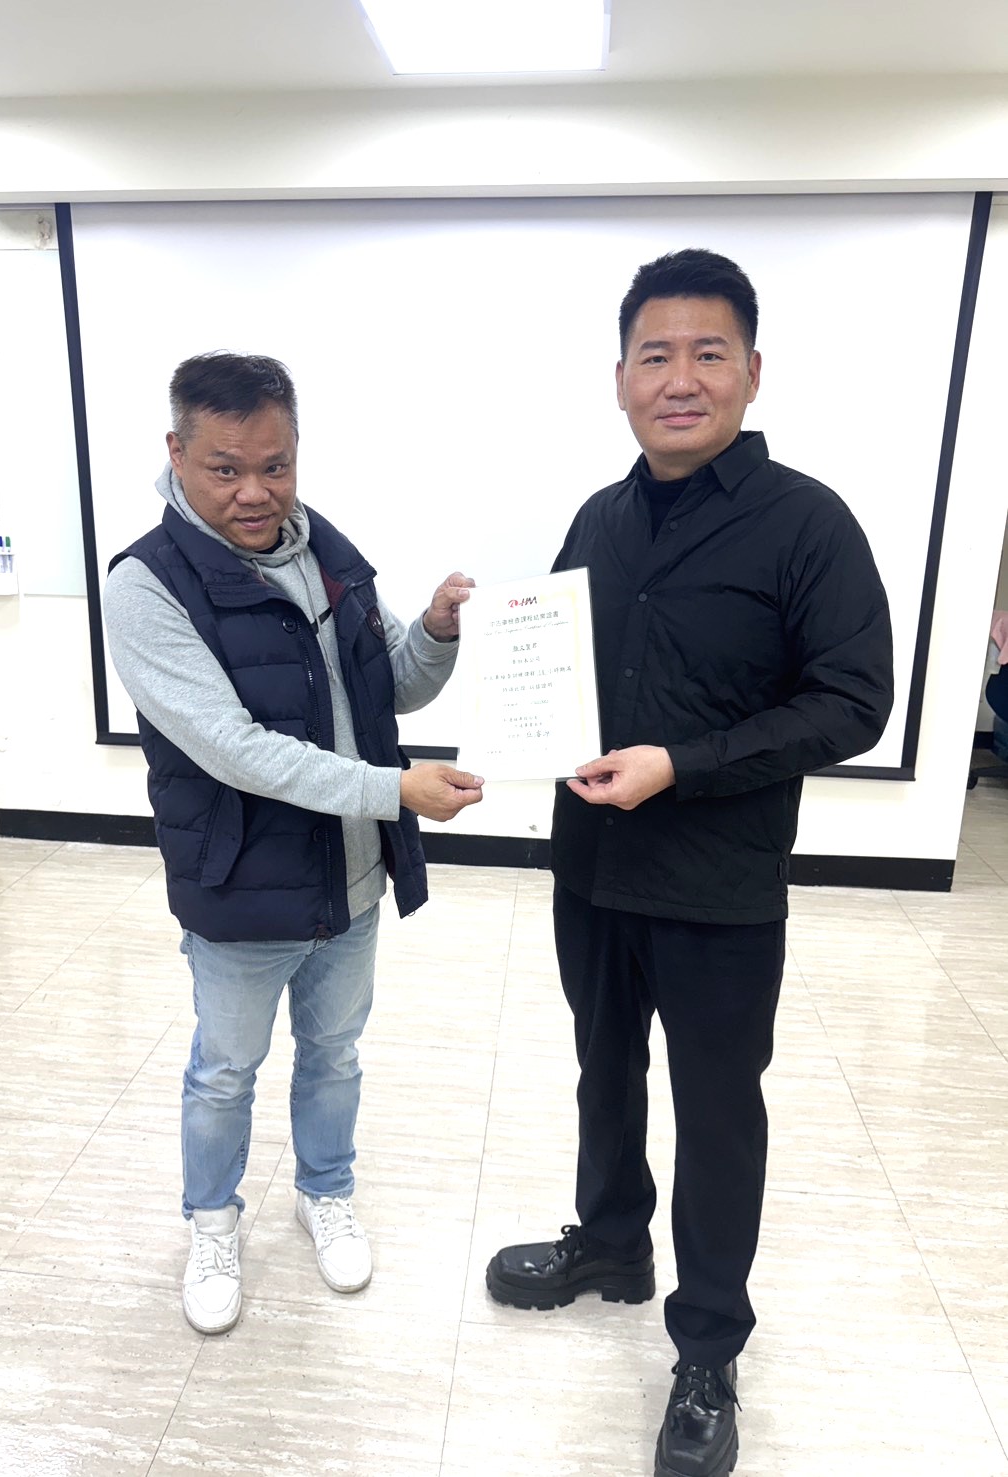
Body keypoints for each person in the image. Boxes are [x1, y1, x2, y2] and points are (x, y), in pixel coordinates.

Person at [485, 250, 893, 1477]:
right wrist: (485, 654)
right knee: (602, 1069)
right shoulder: (597, 519)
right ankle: (612, 1240)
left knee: (717, 1112)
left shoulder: (807, 523)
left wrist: (684, 762)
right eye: (654, 355)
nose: (680, 378)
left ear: (751, 372)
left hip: (717, 882)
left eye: (707, 353)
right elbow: (558, 671)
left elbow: (853, 701)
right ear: (619, 378)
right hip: (591, 865)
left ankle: (708, 1347)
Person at [104, 351, 484, 1335]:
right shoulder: (146, 584)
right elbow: (236, 749)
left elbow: (393, 682)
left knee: (336, 1052)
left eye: (275, 466)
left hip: (348, 876)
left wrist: (437, 630)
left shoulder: (325, 548)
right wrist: (395, 788)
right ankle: (211, 1221)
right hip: (240, 884)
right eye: (226, 468)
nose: (255, 492)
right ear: (177, 452)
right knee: (224, 1069)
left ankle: (326, 1191)